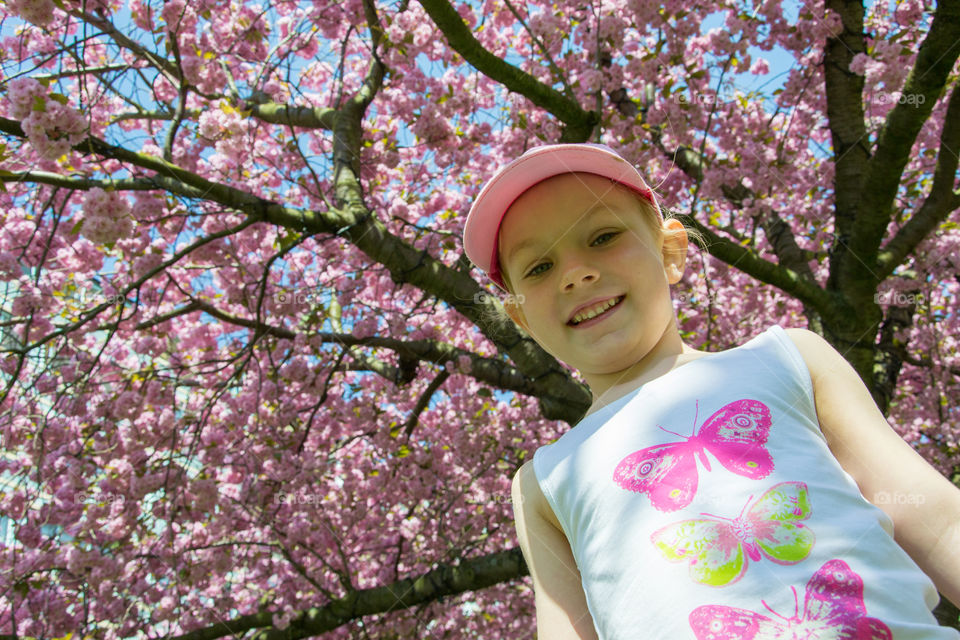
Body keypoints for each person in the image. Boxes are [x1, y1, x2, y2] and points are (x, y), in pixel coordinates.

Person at [462, 143, 960, 640]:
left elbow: (935, 520)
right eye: (540, 268)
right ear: (521, 317)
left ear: (670, 251)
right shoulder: (545, 481)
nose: (576, 273)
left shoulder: (789, 359)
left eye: (603, 236)